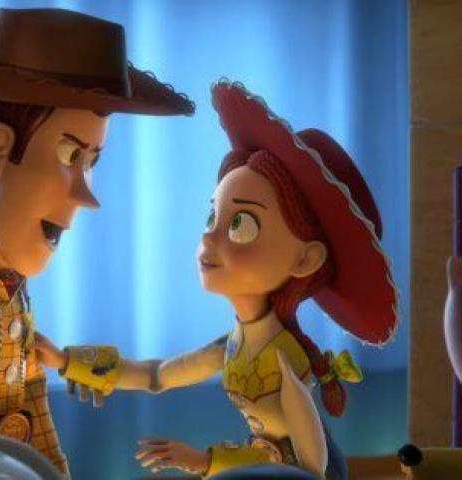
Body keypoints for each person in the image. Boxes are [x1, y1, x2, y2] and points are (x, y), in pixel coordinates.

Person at [0, 8, 194, 476]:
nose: (86, 195)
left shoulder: (16, 301)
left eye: (91, 162)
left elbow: (32, 398)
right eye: (69, 154)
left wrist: (57, 470)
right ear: (0, 151)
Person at [37, 80, 398, 479]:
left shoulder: (284, 359)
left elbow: (311, 466)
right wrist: (65, 361)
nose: (209, 239)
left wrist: (206, 461)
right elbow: (157, 375)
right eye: (212, 218)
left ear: (305, 258)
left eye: (240, 225)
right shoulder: (234, 345)